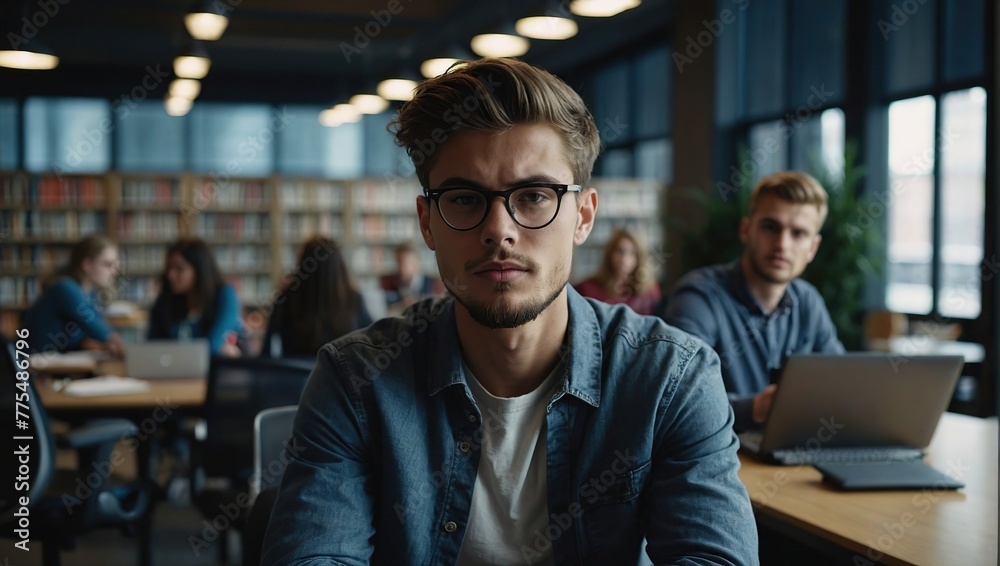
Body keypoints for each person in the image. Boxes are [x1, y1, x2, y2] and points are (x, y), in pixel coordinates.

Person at [262, 58, 757, 565]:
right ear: (428, 222)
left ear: (582, 216)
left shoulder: (669, 378)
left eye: (535, 196)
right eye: (463, 199)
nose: (499, 229)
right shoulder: (355, 381)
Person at [662, 171, 845, 432]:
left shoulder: (808, 301)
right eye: (771, 227)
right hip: (716, 461)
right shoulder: (700, 296)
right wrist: (756, 408)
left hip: (789, 454)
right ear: (746, 230)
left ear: (813, 248)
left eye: (798, 234)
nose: (782, 244)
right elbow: (676, 398)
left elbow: (840, 386)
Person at [260, 235, 373, 358]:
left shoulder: (286, 299)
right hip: (341, 376)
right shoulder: (353, 299)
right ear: (339, 267)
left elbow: (267, 350)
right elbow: (373, 341)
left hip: (297, 375)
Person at [23, 234, 126, 357]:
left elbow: (80, 337)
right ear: (87, 264)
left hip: (55, 362)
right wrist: (125, 349)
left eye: (115, 265)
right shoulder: (64, 288)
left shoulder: (90, 294)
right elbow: (97, 327)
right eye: (107, 265)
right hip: (34, 367)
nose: (114, 272)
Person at [147, 237, 242, 356]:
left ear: (199, 270)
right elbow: (151, 348)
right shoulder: (165, 301)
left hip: (212, 373)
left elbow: (213, 346)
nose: (170, 275)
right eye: (169, 268)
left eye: (179, 268)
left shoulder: (226, 297)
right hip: (173, 373)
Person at [575, 227, 662, 315]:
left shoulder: (650, 290)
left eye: (632, 253)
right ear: (610, 254)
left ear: (639, 258)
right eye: (620, 251)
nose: (624, 259)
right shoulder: (586, 288)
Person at [379, 241, 444, 316]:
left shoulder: (434, 284)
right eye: (398, 262)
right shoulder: (390, 282)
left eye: (404, 263)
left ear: (416, 263)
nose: (400, 268)